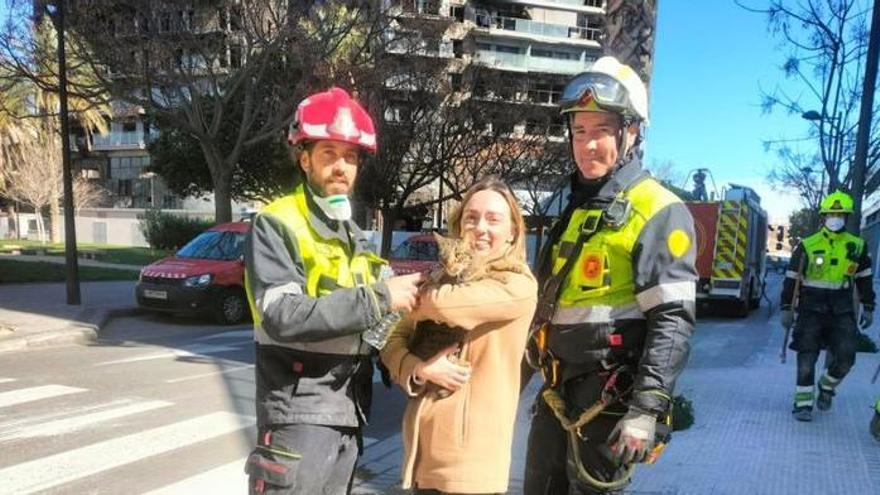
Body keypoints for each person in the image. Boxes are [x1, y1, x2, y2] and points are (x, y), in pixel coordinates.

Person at [522, 56, 697, 494]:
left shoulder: (658, 209)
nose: (588, 144)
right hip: (557, 391)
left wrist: (646, 409)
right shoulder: (578, 206)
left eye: (601, 130)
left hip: (610, 400)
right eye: (579, 131)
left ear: (631, 131)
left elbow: (672, 320)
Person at [243, 87, 424, 494]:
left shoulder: (353, 235)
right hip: (298, 415)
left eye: (351, 156)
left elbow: (371, 326)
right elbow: (283, 314)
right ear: (304, 158)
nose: (341, 166)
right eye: (329, 153)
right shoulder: (277, 223)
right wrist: (381, 297)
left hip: (348, 411)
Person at [380, 176, 538, 494]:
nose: (480, 227)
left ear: (513, 232)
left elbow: (450, 305)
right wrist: (417, 369)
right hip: (420, 459)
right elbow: (390, 343)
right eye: (471, 217)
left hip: (470, 471)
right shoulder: (440, 276)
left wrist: (409, 299)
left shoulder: (517, 285)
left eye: (493, 219)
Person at [780, 189, 875, 423]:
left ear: (847, 217)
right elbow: (792, 278)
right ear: (824, 216)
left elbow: (864, 278)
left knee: (846, 356)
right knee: (806, 357)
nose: (836, 218)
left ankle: (826, 387)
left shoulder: (857, 246)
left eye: (840, 214)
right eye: (832, 213)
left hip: (841, 309)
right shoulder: (808, 246)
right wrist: (786, 307)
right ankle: (803, 404)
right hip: (811, 309)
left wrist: (869, 305)